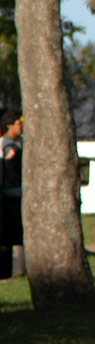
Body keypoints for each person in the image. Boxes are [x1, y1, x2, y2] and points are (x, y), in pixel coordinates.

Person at [0, 109, 24, 278]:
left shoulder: (23, 142)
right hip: (8, 195)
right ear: (9, 124)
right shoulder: (4, 144)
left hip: (20, 193)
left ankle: (22, 269)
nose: (22, 125)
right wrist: (7, 161)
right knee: (7, 236)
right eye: (19, 121)